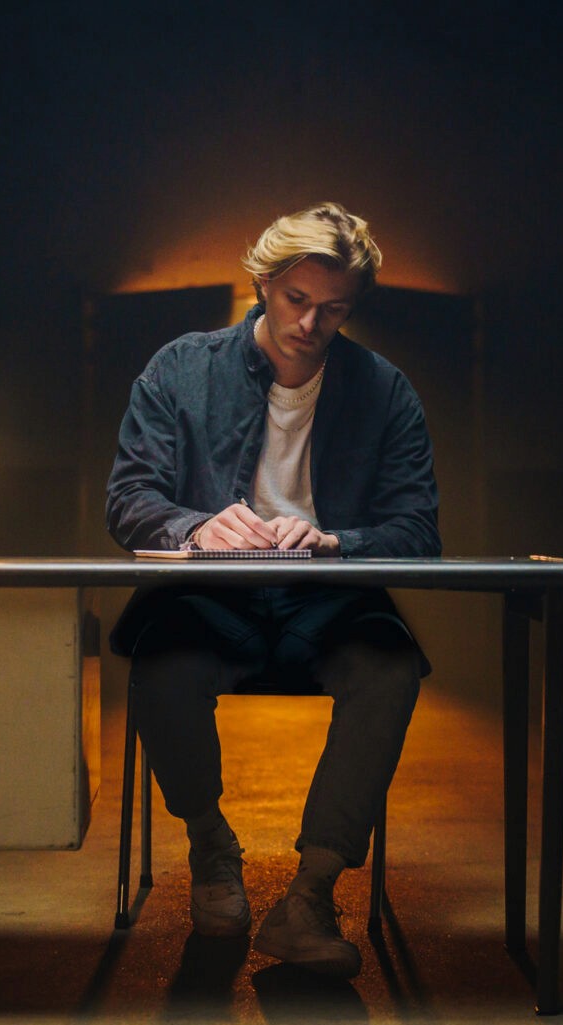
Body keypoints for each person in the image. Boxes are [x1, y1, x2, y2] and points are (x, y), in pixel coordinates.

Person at [105, 202, 439, 979]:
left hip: (327, 601)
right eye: (297, 301)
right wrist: (196, 527)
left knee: (390, 666)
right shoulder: (181, 367)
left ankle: (310, 899)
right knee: (161, 662)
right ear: (263, 282)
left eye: (334, 310)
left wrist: (335, 541)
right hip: (212, 598)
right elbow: (128, 499)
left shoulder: (385, 390)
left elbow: (419, 528)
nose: (311, 324)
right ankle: (212, 850)